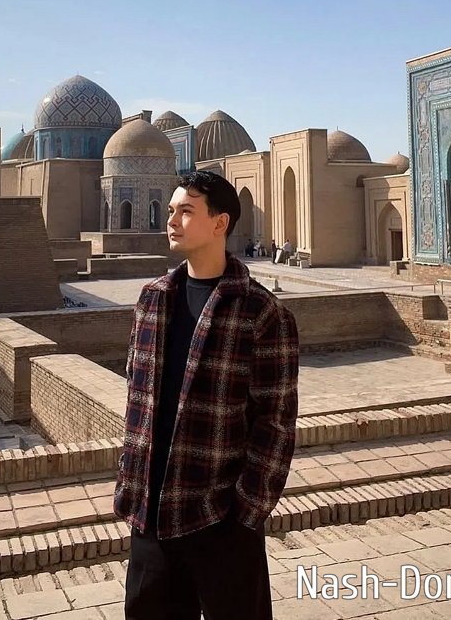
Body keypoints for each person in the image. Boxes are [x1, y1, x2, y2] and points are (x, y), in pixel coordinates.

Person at [114, 170, 299, 620]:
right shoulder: (152, 300)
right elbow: (137, 400)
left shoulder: (261, 312)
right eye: (171, 210)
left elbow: (275, 423)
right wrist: (129, 480)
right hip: (152, 517)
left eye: (186, 211)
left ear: (220, 223)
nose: (171, 220)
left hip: (220, 522)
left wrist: (246, 514)